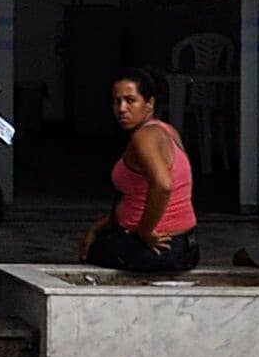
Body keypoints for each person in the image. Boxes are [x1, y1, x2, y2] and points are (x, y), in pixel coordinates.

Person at [79, 69, 199, 275]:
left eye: (130, 100)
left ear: (150, 103)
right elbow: (141, 195)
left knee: (90, 253)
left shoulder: (144, 137)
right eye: (116, 101)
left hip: (156, 248)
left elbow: (163, 185)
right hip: (186, 245)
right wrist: (98, 227)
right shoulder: (168, 131)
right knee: (100, 240)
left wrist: (145, 231)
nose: (122, 108)